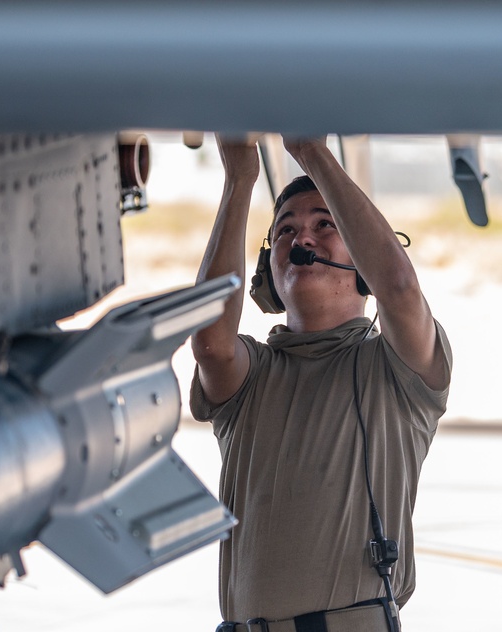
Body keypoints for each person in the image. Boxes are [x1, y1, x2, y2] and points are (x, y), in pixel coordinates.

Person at [190, 135, 452, 632]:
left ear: (362, 260)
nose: (301, 239)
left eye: (324, 225)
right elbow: (210, 342)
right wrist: (239, 178)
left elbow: (398, 288)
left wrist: (310, 149)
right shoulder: (253, 373)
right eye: (285, 231)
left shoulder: (397, 369)